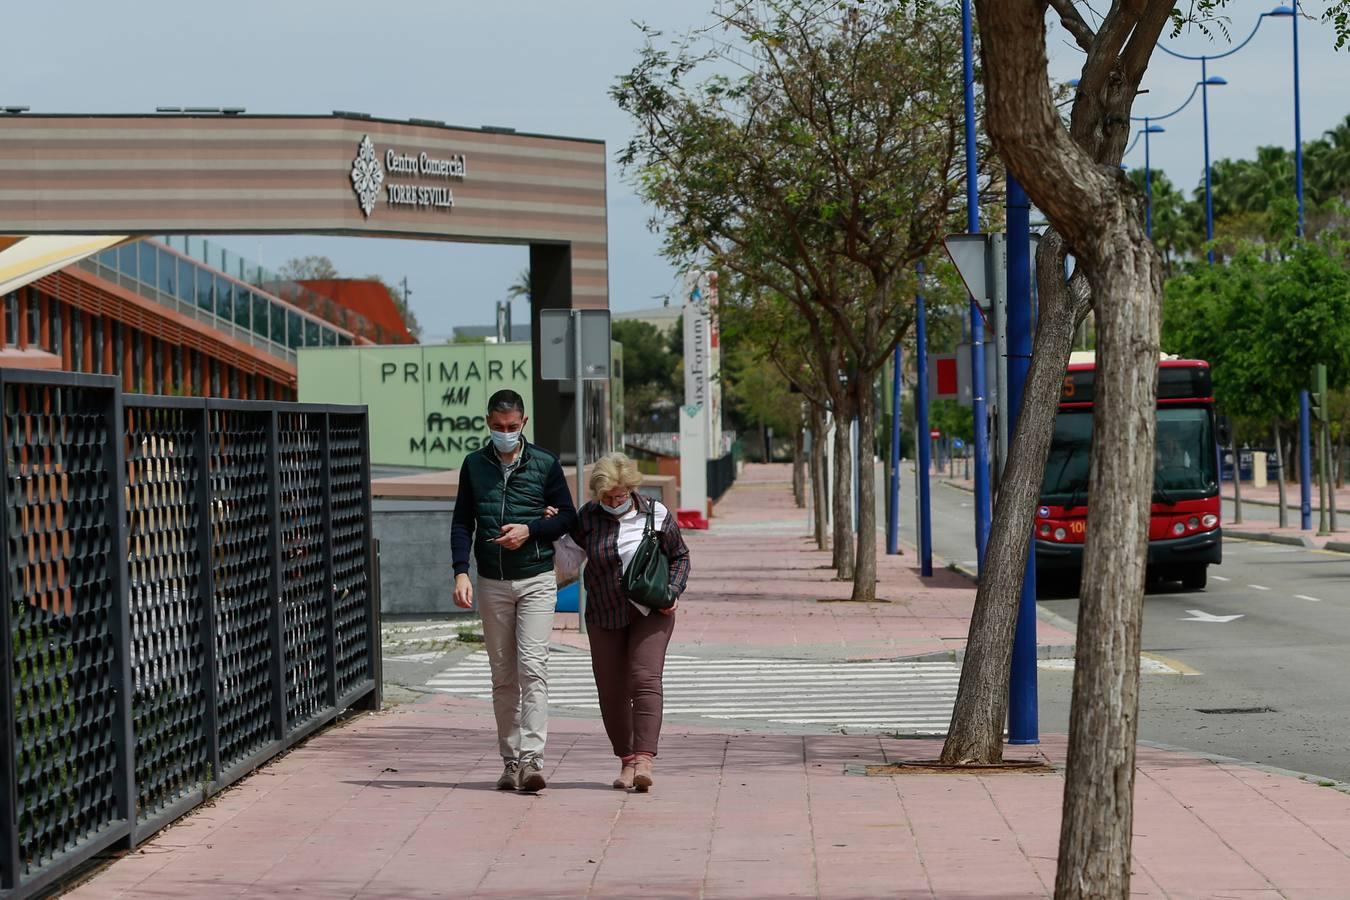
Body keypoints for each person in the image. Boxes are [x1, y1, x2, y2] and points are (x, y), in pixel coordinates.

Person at [452, 390, 577, 792]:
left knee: (533, 667)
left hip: (537, 578)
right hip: (491, 582)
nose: (504, 434)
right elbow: (461, 523)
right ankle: (509, 761)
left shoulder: (545, 463)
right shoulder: (474, 465)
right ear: (487, 423)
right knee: (503, 675)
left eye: (511, 427)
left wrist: (531, 530)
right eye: (496, 427)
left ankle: (533, 759)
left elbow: (568, 517)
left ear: (524, 423)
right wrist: (460, 572)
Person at [569, 452, 691, 792]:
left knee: (644, 677)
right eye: (607, 497)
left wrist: (672, 590)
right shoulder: (588, 518)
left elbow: (680, 555)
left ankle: (644, 759)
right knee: (611, 690)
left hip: (651, 610)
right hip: (604, 612)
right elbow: (569, 559)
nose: (614, 501)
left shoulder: (656, 512)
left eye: (620, 495)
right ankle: (626, 759)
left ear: (630, 488)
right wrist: (555, 532)